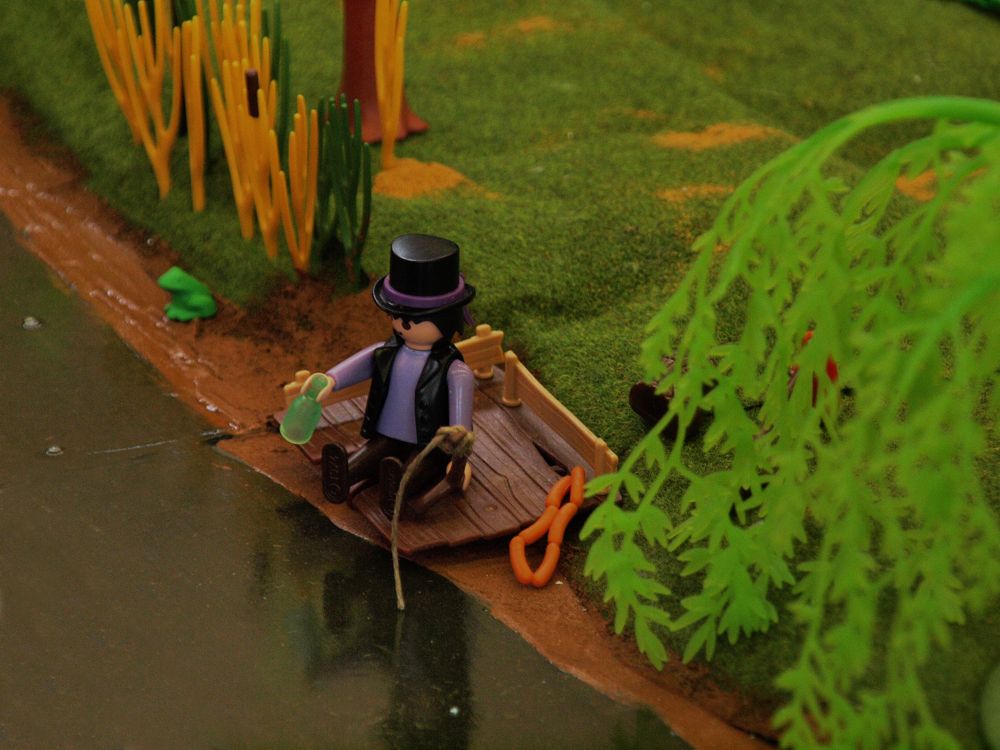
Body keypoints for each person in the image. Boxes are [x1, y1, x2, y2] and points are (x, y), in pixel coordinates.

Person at [301, 234, 476, 515]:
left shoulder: (455, 370)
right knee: (374, 452)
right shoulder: (389, 352)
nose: (402, 325)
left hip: (429, 445)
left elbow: (461, 425)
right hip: (388, 435)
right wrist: (331, 379)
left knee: (416, 468)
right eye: (396, 317)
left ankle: (397, 488)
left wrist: (458, 444)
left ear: (445, 319)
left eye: (412, 320)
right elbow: (364, 361)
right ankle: (344, 474)